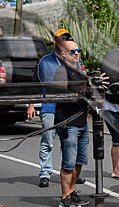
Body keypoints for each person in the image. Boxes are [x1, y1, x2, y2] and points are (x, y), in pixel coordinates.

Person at [27, 28, 85, 189]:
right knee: (48, 140)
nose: (63, 41)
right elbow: (35, 84)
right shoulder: (45, 61)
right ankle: (45, 173)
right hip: (50, 106)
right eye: (61, 39)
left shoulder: (76, 60)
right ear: (55, 41)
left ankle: (68, 172)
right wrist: (31, 104)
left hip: (69, 109)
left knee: (68, 142)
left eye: (66, 38)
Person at [52, 41, 91, 207]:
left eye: (78, 50)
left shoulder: (80, 70)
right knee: (68, 162)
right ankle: (64, 197)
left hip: (82, 122)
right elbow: (62, 95)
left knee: (79, 161)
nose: (76, 53)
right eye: (72, 51)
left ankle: (72, 192)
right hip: (68, 123)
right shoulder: (61, 72)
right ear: (62, 55)